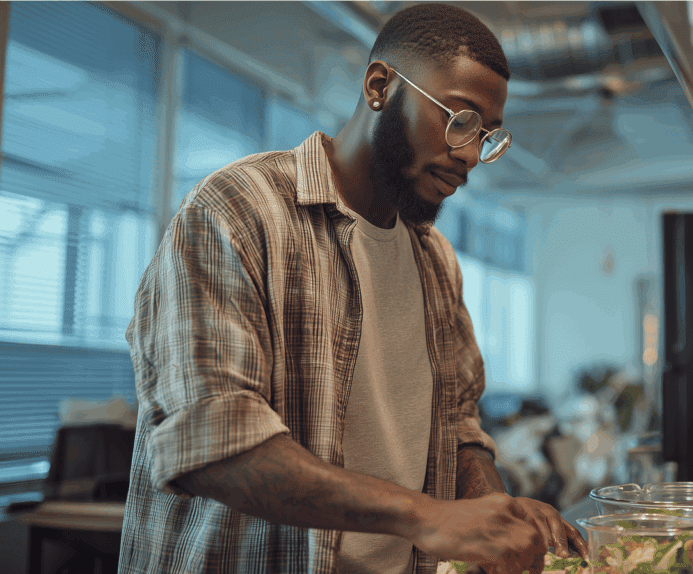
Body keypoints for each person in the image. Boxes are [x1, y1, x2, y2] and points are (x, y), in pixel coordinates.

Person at [117, 4, 587, 574]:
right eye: (458, 120)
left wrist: (491, 505)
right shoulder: (238, 212)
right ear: (379, 86)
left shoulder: (436, 260)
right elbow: (212, 446)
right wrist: (427, 516)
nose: (468, 156)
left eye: (486, 136)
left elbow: (457, 426)